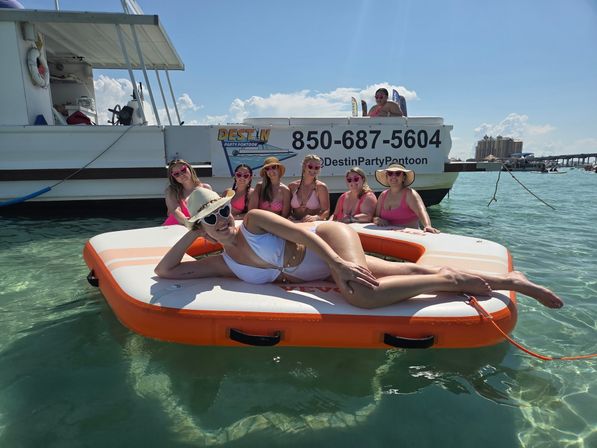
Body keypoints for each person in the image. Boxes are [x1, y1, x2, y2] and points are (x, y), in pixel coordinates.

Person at [155, 188, 564, 310]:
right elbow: (166, 272)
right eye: (210, 219)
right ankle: (512, 280)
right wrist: (192, 230)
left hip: (329, 242)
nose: (222, 220)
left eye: (223, 210)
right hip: (324, 266)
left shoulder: (256, 221)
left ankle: (450, 281)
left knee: (362, 295)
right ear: (199, 227)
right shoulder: (225, 264)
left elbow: (302, 233)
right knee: (406, 274)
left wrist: (336, 261)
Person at [373, 164, 439, 233]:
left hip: (409, 237)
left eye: (398, 173)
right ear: (387, 177)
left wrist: (427, 226)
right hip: (389, 237)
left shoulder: (410, 194)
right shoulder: (383, 195)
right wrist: (377, 219)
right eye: (390, 173)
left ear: (404, 178)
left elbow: (422, 212)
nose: (393, 176)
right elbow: (376, 216)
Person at [163, 159, 212, 226]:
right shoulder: (171, 191)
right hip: (175, 228)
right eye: (176, 174)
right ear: (173, 177)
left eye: (183, 170)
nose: (181, 175)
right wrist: (190, 223)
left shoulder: (206, 188)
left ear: (189, 168)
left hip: (200, 228)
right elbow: (175, 211)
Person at [288, 154, 330, 222]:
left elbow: (326, 211)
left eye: (317, 168)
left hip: (314, 223)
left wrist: (316, 217)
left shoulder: (321, 187)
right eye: (310, 166)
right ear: (304, 166)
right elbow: (287, 209)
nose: (313, 170)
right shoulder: (292, 186)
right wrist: (289, 216)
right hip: (296, 223)